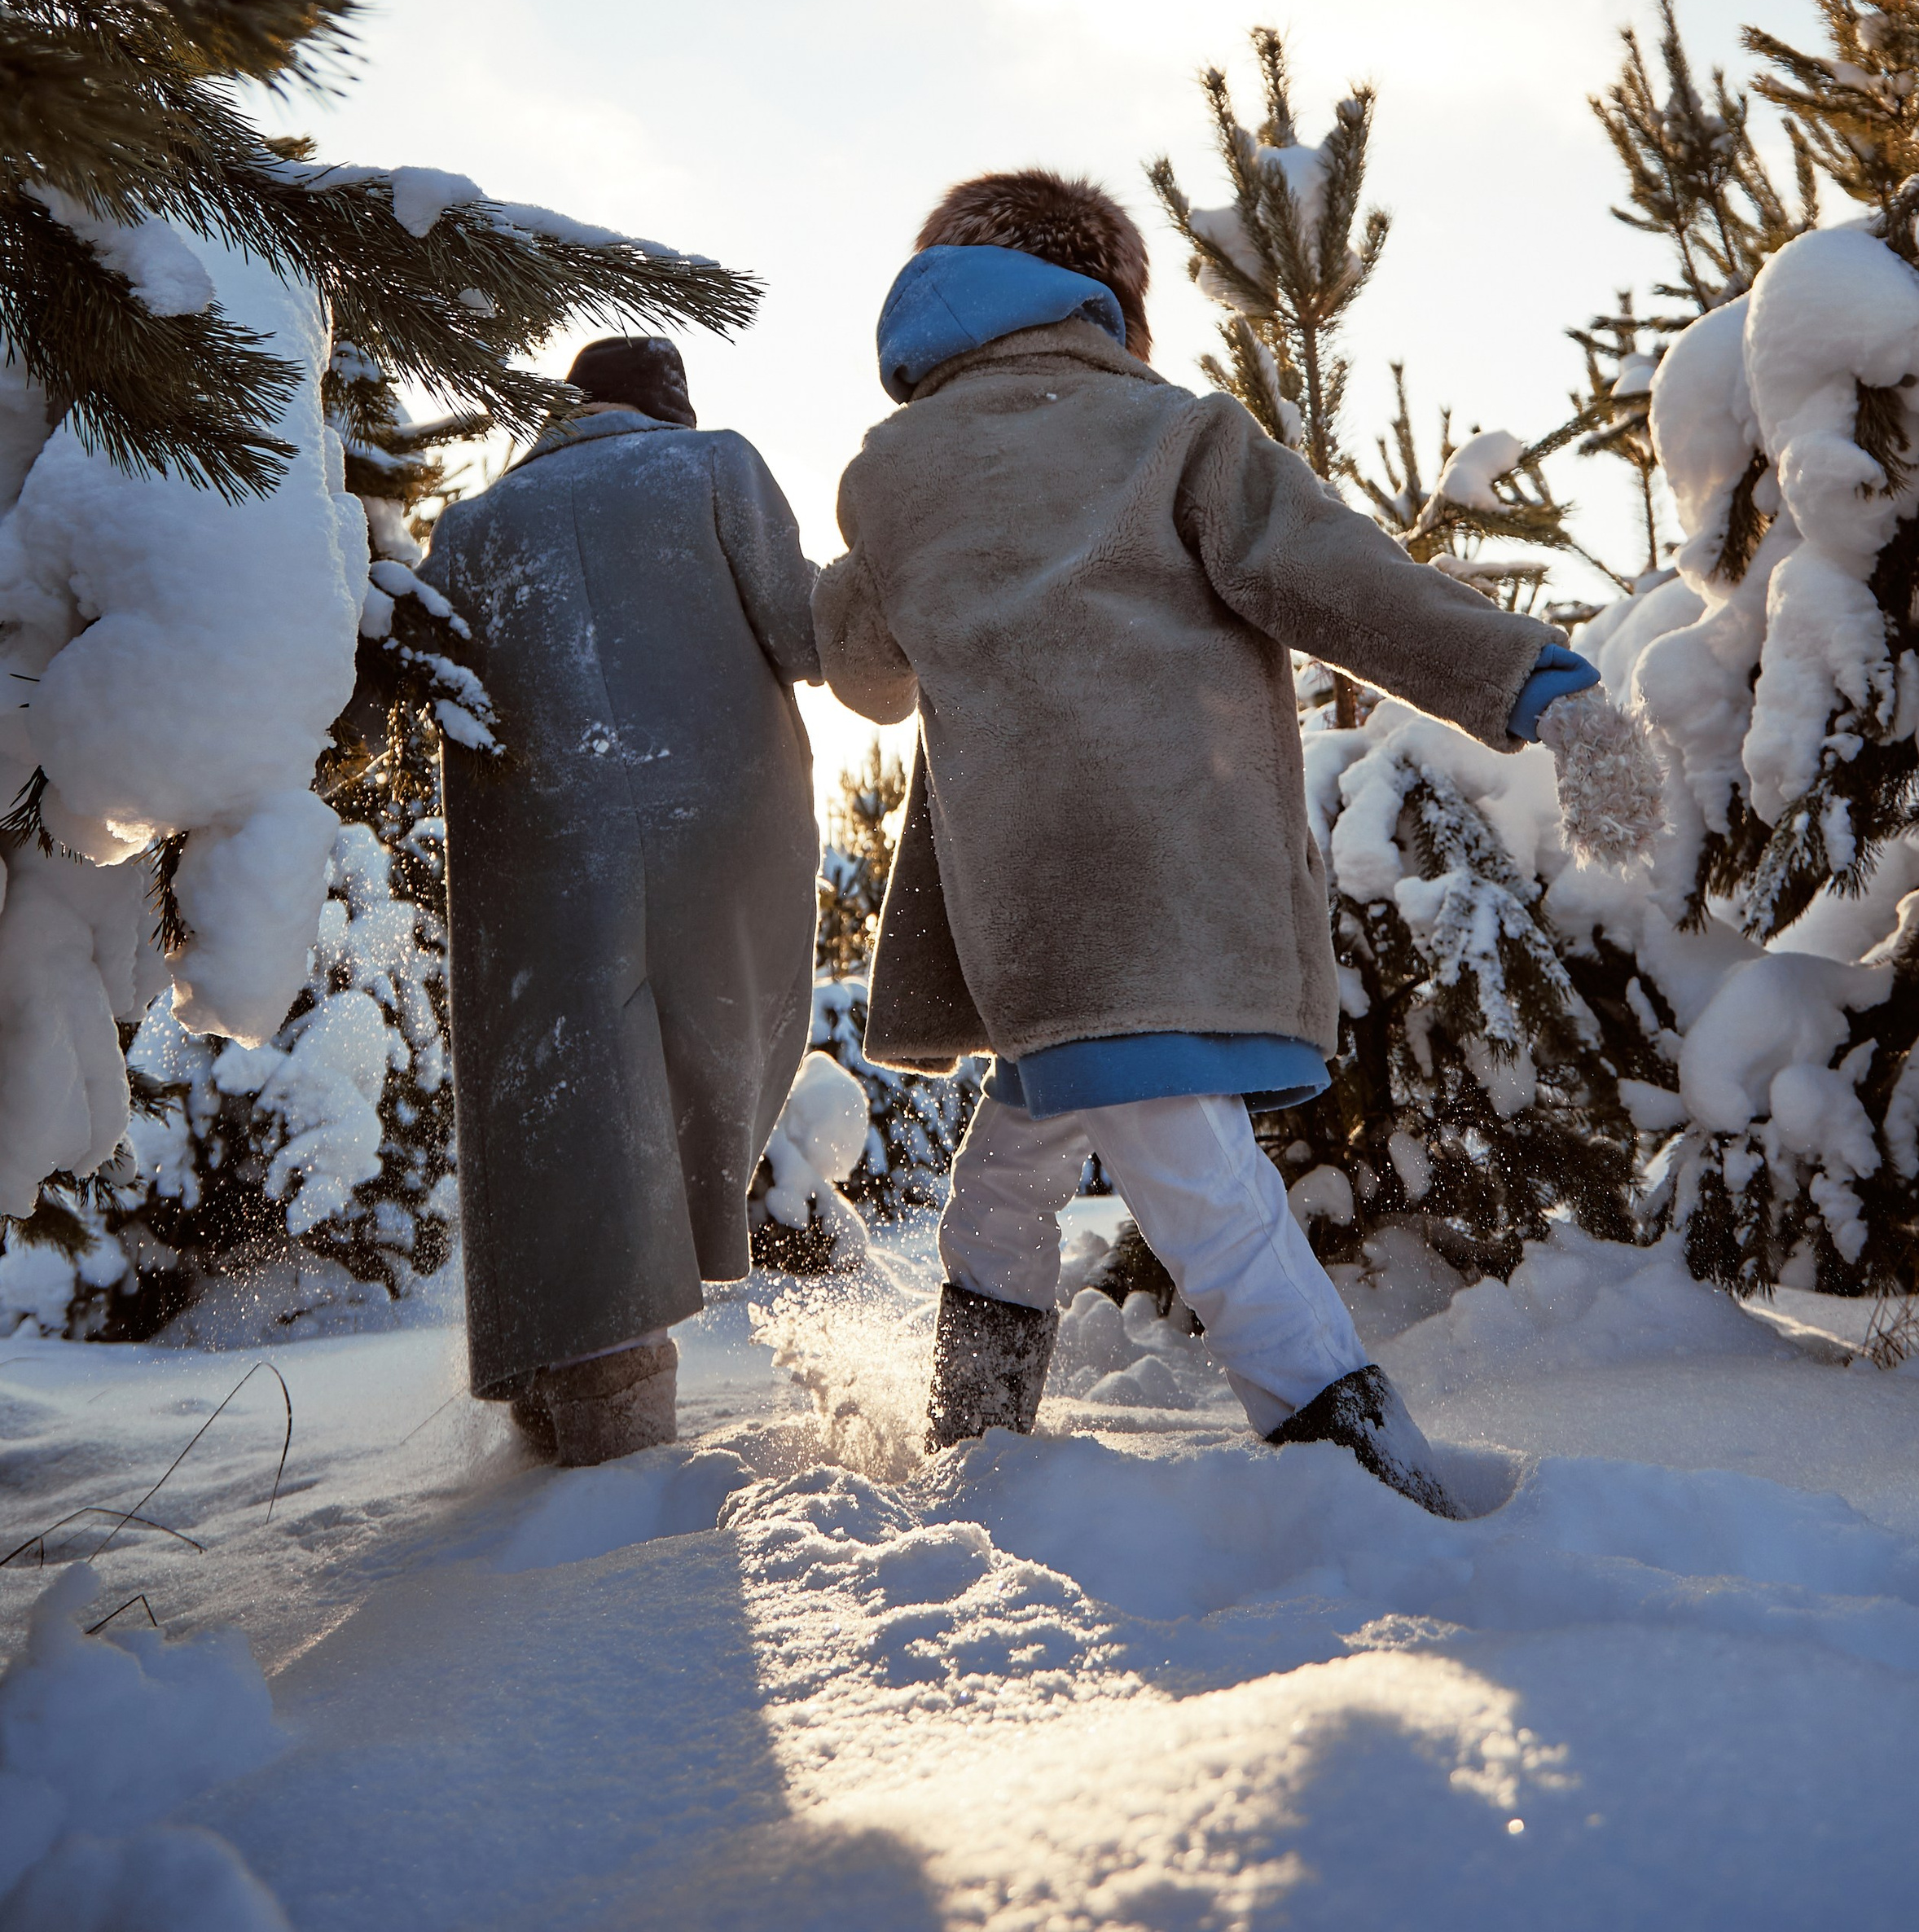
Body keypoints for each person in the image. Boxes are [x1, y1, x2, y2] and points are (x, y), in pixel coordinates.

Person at [813, 171, 1615, 1514]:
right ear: (1106, 303)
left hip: (1029, 925)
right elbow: (1337, 579)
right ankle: (1373, 1484)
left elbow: (866, 673)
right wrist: (1525, 678)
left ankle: (976, 1441)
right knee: (1199, 1180)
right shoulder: (1172, 432)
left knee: (1011, 1164)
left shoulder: (894, 475)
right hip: (1163, 887)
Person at [420, 333, 822, 1466]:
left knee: (566, 1099)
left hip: (539, 847)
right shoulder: (713, 468)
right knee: (717, 1052)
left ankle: (583, 1376)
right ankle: (624, 1440)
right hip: (723, 827)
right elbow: (804, 634)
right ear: (668, 409)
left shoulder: (477, 522)